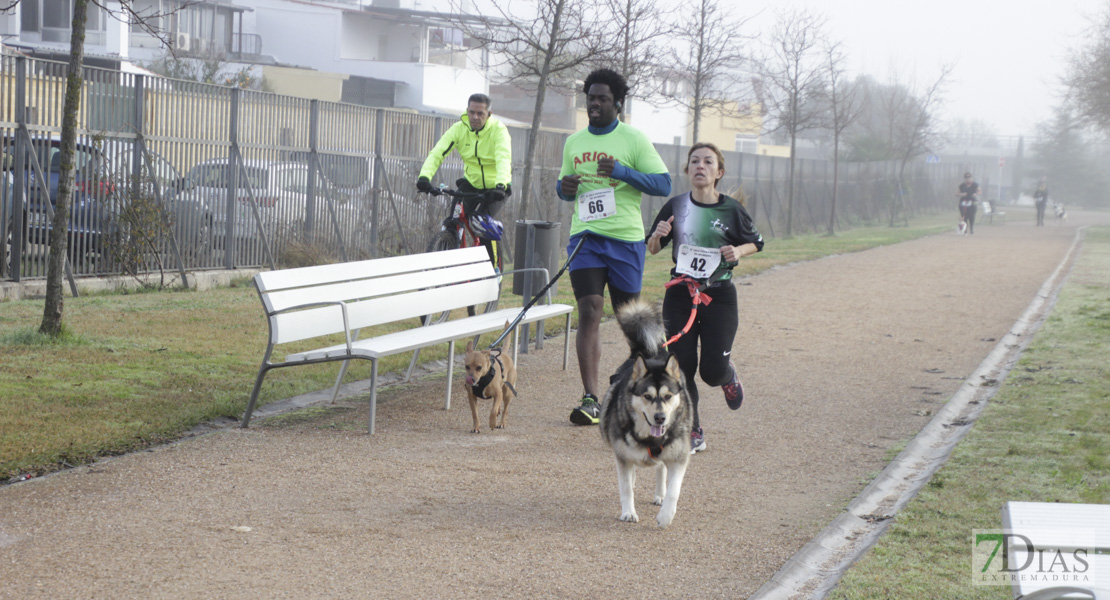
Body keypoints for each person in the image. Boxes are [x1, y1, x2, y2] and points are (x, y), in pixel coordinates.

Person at [557, 68, 672, 425]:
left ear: (617, 104)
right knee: (590, 309)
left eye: (602, 98)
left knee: (631, 321)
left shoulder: (633, 140)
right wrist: (567, 188)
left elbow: (663, 183)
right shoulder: (574, 142)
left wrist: (622, 172)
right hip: (586, 238)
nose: (594, 103)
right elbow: (562, 188)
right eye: (590, 97)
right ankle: (591, 397)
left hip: (624, 240)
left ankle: (643, 392)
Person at [647, 142, 764, 453]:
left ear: (718, 172)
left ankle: (728, 375)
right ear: (687, 171)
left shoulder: (731, 209)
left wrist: (738, 250)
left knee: (710, 372)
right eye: (694, 161)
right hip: (681, 296)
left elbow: (757, 242)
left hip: (719, 298)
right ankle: (693, 429)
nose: (700, 166)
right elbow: (653, 248)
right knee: (682, 368)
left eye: (707, 162)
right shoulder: (676, 206)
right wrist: (657, 236)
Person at [416, 93, 512, 268]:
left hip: (495, 187)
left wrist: (500, 184)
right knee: (452, 221)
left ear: (489, 114)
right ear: (467, 111)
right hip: (471, 183)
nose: (475, 117)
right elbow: (437, 153)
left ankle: (492, 272)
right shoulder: (459, 129)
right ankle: (448, 255)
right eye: (472, 112)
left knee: (483, 224)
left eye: (480, 113)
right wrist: (424, 177)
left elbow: (503, 158)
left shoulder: (498, 130)